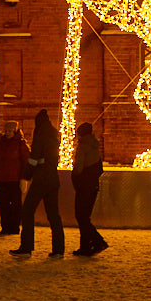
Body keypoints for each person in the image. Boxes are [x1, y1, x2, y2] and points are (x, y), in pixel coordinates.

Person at [11, 109, 64, 257]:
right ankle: (58, 249)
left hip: (41, 179)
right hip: (53, 178)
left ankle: (26, 247)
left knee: (27, 211)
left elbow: (34, 158)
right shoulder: (54, 135)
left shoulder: (41, 135)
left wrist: (27, 174)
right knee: (54, 215)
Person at [71, 121, 108, 256]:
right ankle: (85, 246)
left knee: (81, 216)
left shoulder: (83, 147)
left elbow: (78, 168)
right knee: (85, 216)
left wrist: (74, 176)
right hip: (93, 185)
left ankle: (98, 242)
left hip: (84, 186)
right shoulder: (95, 146)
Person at [0, 120, 28, 235]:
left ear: (15, 131)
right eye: (6, 130)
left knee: (16, 205)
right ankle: (5, 227)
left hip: (15, 179)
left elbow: (25, 162)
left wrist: (23, 178)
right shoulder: (1, 144)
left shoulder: (20, 144)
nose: (7, 133)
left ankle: (14, 227)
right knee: (3, 205)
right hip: (2, 179)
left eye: (10, 131)